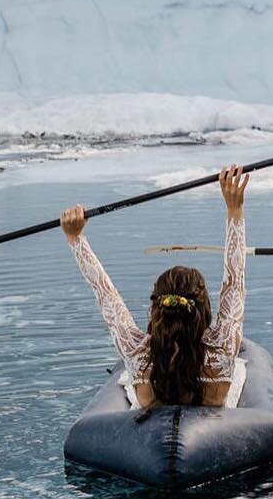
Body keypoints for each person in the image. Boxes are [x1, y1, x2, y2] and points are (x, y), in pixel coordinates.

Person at [61, 165, 250, 409]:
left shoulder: (137, 352)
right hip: (210, 430)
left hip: (148, 436)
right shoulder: (223, 347)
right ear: (202, 308)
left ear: (157, 307)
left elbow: (105, 293)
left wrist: (75, 238)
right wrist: (235, 209)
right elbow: (234, 280)